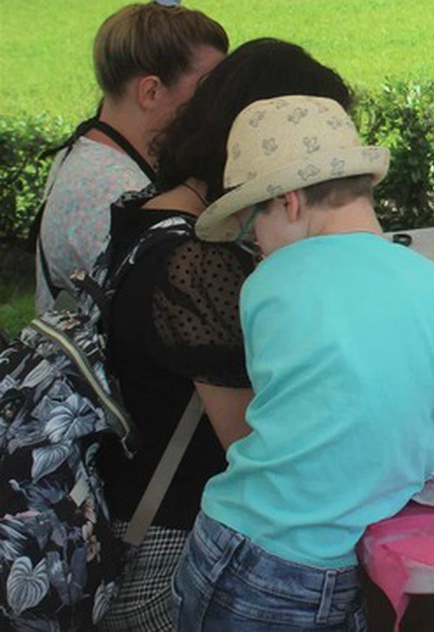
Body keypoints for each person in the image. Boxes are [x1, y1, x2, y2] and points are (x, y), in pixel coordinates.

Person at [174, 95, 434, 630]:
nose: (254, 245)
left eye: (249, 225)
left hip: (235, 542)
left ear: (289, 202)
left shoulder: (266, 286)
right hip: (299, 567)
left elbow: (338, 410)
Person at [98, 39, 355, 631]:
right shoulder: (197, 261)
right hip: (172, 561)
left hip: (138, 518)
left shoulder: (152, 213)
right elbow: (260, 443)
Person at [34, 0, 227, 311]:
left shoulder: (97, 151)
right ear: (150, 91)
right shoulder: (109, 188)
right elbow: (179, 312)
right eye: (209, 87)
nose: (219, 102)